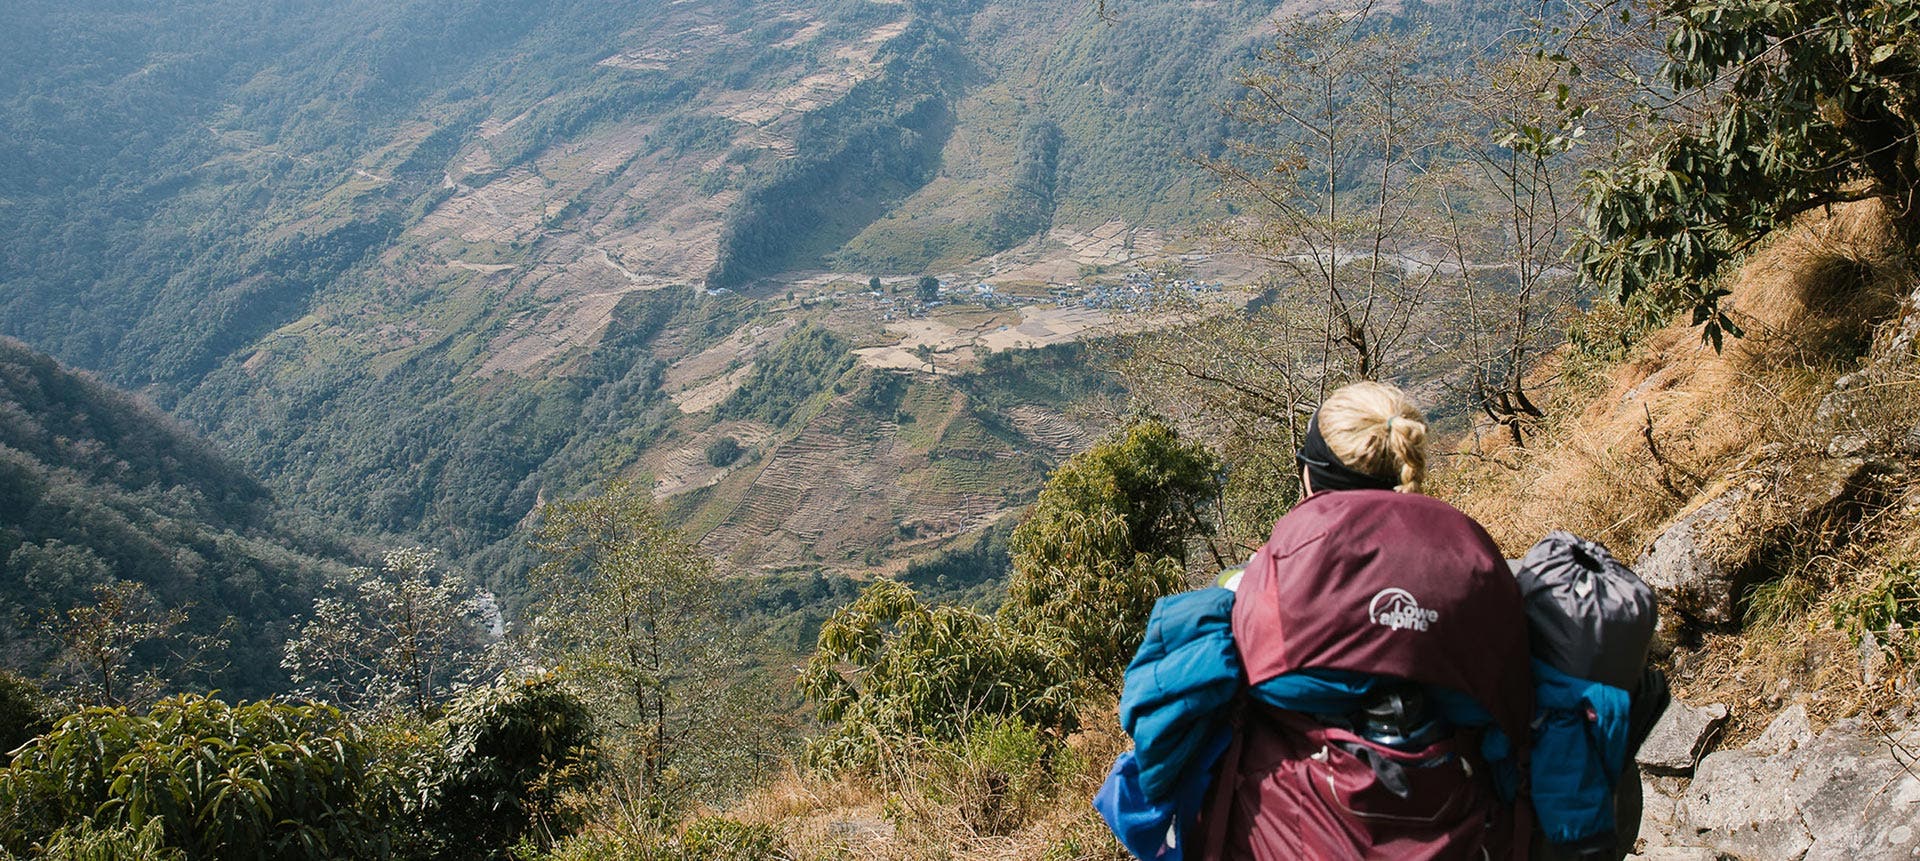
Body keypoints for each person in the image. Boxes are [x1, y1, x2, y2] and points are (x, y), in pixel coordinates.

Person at [1098, 381, 1534, 860]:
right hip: (1466, 825)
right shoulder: (1468, 557)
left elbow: (1161, 718)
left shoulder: (1273, 573)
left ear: (1310, 476)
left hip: (1303, 829)